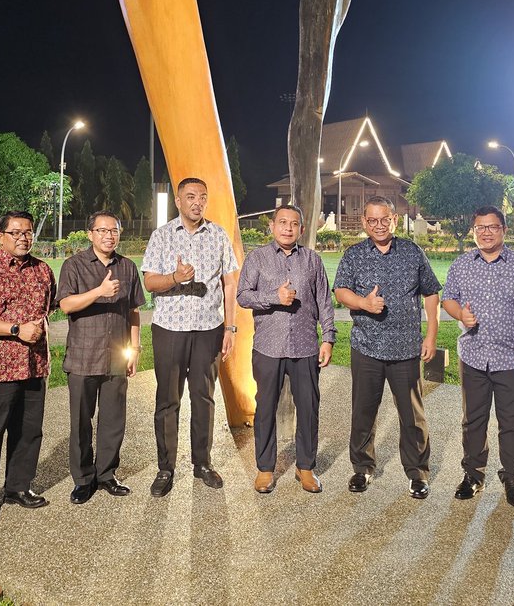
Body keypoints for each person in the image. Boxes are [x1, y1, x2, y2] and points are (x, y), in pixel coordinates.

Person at [441, 206, 514, 508]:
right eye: (480, 227)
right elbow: (448, 298)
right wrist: (459, 313)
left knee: (512, 423)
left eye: (492, 227)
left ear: (503, 230)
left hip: (513, 358)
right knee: (473, 420)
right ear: (473, 231)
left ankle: (512, 477)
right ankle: (473, 475)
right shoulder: (462, 265)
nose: (486, 232)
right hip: (474, 356)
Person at [333, 195, 441, 499]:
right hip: (366, 346)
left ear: (394, 220)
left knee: (412, 414)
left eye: (385, 219)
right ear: (365, 222)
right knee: (363, 410)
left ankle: (417, 472)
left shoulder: (412, 252)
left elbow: (431, 293)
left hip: (406, 349)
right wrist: (363, 303)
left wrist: (430, 334)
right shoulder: (354, 255)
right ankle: (362, 468)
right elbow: (341, 290)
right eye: (373, 220)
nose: (379, 225)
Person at [141, 177, 239, 496]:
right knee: (168, 400)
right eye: (190, 196)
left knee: (204, 398)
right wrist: (175, 277)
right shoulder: (162, 236)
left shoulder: (219, 236)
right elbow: (150, 283)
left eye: (202, 197)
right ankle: (165, 468)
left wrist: (230, 328)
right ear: (179, 202)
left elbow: (229, 285)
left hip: (208, 329)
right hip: (170, 329)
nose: (197, 202)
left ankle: (203, 463)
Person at [237, 204, 336, 494]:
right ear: (272, 226)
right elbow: (243, 296)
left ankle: (305, 467)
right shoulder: (257, 258)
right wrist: (274, 297)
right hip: (268, 345)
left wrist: (328, 338)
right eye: (282, 222)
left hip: (305, 345)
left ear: (302, 229)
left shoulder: (312, 261)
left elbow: (324, 302)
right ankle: (265, 469)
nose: (288, 228)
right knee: (265, 407)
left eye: (294, 224)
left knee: (308, 407)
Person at [0, 210, 55, 523]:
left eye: (27, 232)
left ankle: (18, 486)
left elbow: (53, 306)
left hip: (33, 365)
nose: (23, 238)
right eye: (15, 232)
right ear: (0, 236)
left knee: (28, 431)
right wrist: (16, 329)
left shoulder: (43, 270)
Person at [56, 211, 145, 505]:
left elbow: (133, 312)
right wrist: (100, 291)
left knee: (113, 420)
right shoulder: (75, 266)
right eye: (102, 230)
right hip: (83, 356)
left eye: (114, 230)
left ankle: (106, 474)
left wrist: (134, 349)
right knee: (81, 422)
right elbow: (67, 305)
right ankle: (83, 479)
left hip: (116, 357)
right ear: (90, 233)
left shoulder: (128, 267)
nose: (109, 235)